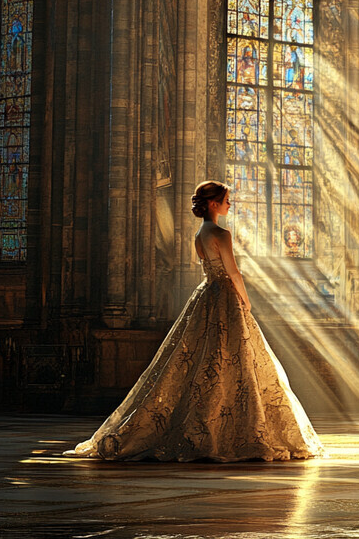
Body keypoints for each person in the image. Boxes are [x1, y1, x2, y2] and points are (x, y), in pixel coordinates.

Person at [64, 181, 324, 462]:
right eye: (226, 199)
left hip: (206, 295)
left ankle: (208, 427)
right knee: (235, 358)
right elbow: (233, 272)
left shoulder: (199, 234)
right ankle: (230, 431)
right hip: (224, 296)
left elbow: (209, 267)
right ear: (213, 203)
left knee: (204, 359)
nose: (229, 204)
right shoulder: (221, 233)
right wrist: (246, 300)